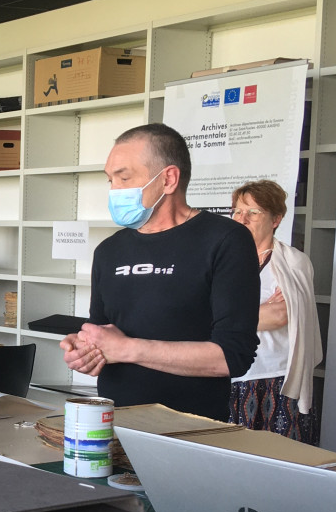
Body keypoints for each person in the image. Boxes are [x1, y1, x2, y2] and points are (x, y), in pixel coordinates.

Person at [59, 123, 259, 420]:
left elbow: (232, 357)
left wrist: (126, 349)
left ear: (168, 179)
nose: (114, 190)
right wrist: (84, 351)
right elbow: (102, 335)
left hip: (191, 430)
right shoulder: (109, 251)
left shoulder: (226, 240)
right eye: (110, 180)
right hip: (112, 423)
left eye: (124, 177)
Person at [227, 180, 322, 443]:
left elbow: (280, 316)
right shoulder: (219, 261)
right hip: (225, 375)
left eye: (253, 212)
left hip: (275, 379)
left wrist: (226, 316)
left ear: (276, 219)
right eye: (237, 211)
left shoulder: (293, 262)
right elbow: (198, 316)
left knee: (277, 461)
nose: (242, 218)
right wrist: (259, 312)